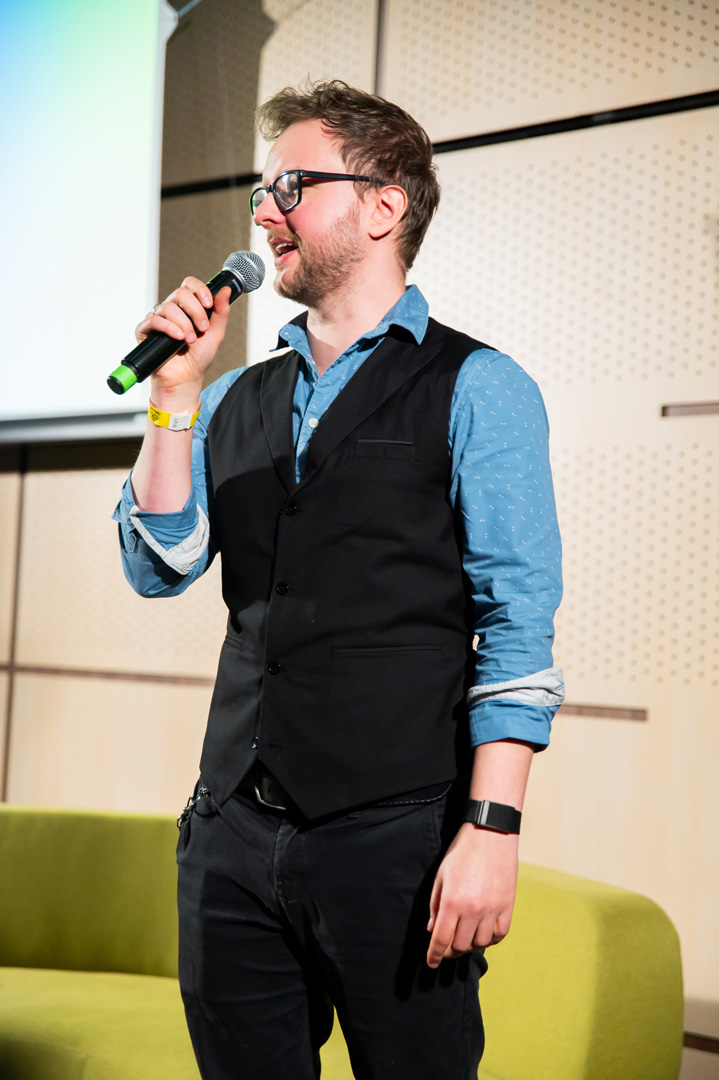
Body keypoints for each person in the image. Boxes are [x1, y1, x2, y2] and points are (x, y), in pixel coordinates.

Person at [114, 80, 564, 1080]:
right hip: (230, 833)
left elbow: (516, 625)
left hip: (394, 838)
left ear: (382, 205)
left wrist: (490, 829)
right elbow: (157, 565)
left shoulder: (479, 388)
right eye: (259, 193)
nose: (264, 213)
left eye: (291, 186)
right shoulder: (228, 397)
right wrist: (173, 397)